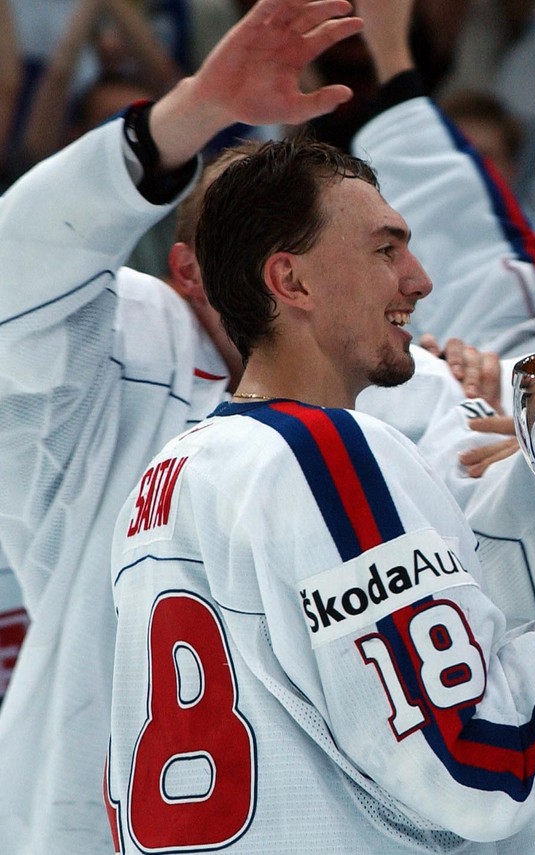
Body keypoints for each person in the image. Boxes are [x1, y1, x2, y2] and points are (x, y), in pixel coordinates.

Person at [106, 127, 535, 851]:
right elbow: (479, 763)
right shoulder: (324, 454)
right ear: (292, 282)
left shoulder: (160, 481)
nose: (419, 278)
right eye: (385, 249)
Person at [0, 1, 471, 851]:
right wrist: (191, 113)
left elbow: (475, 563)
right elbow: (21, 260)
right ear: (188, 270)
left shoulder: (409, 382)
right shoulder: (116, 343)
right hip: (78, 816)